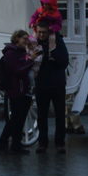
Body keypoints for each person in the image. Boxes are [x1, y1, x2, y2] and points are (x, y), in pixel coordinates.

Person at [32, 17, 69, 152]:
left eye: (44, 32)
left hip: (57, 84)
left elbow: (64, 61)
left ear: (49, 32)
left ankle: (60, 143)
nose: (41, 35)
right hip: (41, 84)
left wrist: (52, 53)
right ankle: (43, 143)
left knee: (59, 115)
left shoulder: (58, 42)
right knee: (42, 116)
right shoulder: (34, 43)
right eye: (39, 32)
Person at [0, 30, 34, 153]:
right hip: (16, 90)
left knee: (18, 119)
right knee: (16, 119)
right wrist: (31, 60)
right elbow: (18, 70)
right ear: (16, 39)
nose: (26, 41)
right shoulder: (11, 53)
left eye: (27, 39)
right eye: (24, 39)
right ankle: (7, 143)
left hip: (23, 90)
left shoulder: (21, 52)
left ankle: (11, 143)